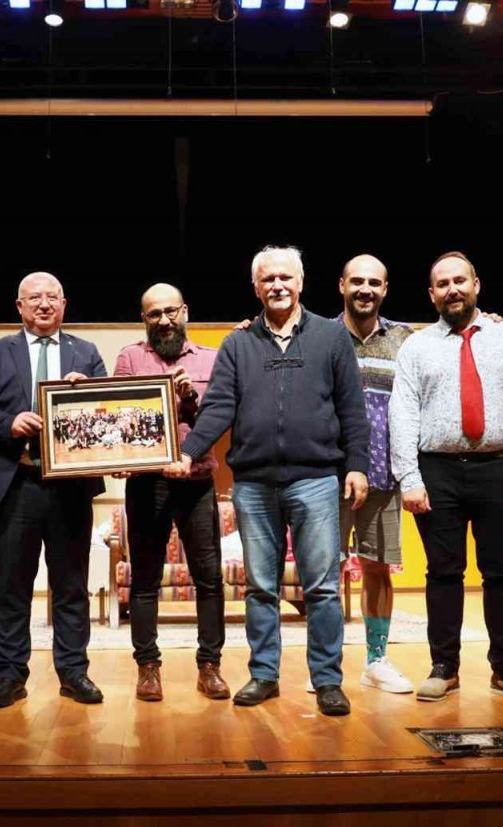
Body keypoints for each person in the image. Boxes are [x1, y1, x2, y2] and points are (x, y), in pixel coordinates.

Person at [166, 246, 369, 717]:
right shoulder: (238, 344)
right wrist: (188, 452)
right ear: (255, 288)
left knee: (321, 588)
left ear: (300, 282)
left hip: (316, 480)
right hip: (254, 485)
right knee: (260, 587)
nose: (277, 285)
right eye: (267, 279)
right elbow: (218, 407)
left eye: (285, 277)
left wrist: (356, 465)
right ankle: (264, 675)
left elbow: (352, 410)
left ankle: (326, 681)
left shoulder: (330, 339)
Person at [389, 251, 503, 704]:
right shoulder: (417, 346)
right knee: (443, 572)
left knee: (502, 573)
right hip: (437, 471)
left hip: (500, 468)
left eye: (459, 281)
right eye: (442, 284)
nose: (452, 290)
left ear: (477, 284)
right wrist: (408, 477)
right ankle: (444, 667)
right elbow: (402, 413)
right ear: (431, 294)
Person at [0, 272, 107, 709]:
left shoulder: (87, 352)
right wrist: (7, 424)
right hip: (15, 482)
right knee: (11, 586)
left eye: (52, 298)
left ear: (64, 304)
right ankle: (10, 674)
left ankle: (73, 672)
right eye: (34, 298)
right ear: (19, 306)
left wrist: (91, 396)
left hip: (69, 489)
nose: (43, 305)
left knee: (71, 585)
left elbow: (107, 413)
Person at [113, 283, 229, 703]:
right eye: (153, 314)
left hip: (196, 480)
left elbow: (218, 417)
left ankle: (210, 666)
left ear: (185, 312)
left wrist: (189, 397)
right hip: (147, 481)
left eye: (170, 312)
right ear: (143, 319)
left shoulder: (212, 360)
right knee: (144, 580)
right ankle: (148, 667)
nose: (163, 320)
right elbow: (118, 419)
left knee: (209, 578)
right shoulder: (129, 358)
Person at [333, 254, 415, 694]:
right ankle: (324, 665)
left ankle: (376, 659)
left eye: (374, 283)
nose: (365, 289)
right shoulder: (321, 335)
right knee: (324, 572)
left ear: (385, 289)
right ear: (341, 285)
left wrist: (492, 321)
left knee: (377, 568)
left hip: (385, 475)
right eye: (357, 281)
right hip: (328, 474)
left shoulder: (406, 339)